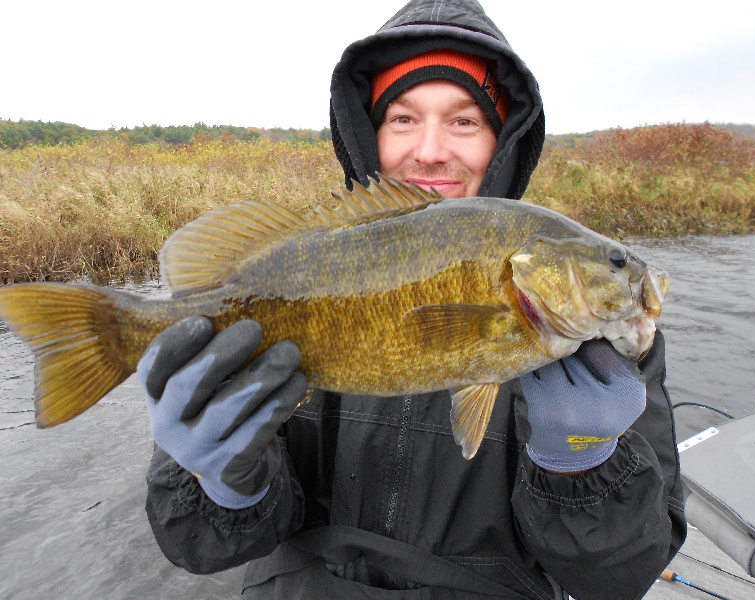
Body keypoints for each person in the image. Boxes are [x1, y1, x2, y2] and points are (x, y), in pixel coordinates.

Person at [142, 1, 687, 599]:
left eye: (464, 121)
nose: (430, 151)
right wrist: (219, 483)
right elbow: (198, 545)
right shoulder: (308, 256)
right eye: (402, 118)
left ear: (501, 140)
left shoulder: (606, 353)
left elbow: (623, 578)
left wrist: (584, 464)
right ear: (367, 131)